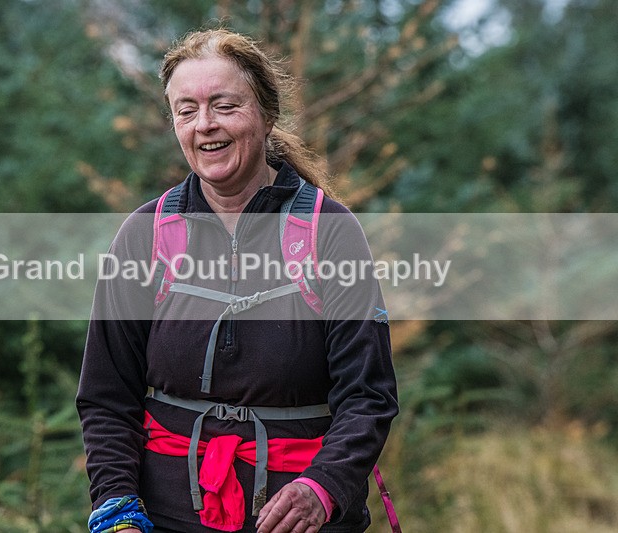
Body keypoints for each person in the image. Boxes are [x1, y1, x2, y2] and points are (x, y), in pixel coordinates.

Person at [76, 28, 398, 533]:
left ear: (265, 114)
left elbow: (369, 395)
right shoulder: (147, 234)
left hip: (303, 520)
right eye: (186, 110)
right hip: (166, 515)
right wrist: (117, 505)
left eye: (224, 105)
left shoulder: (326, 232)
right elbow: (106, 392)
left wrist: (325, 488)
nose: (205, 125)